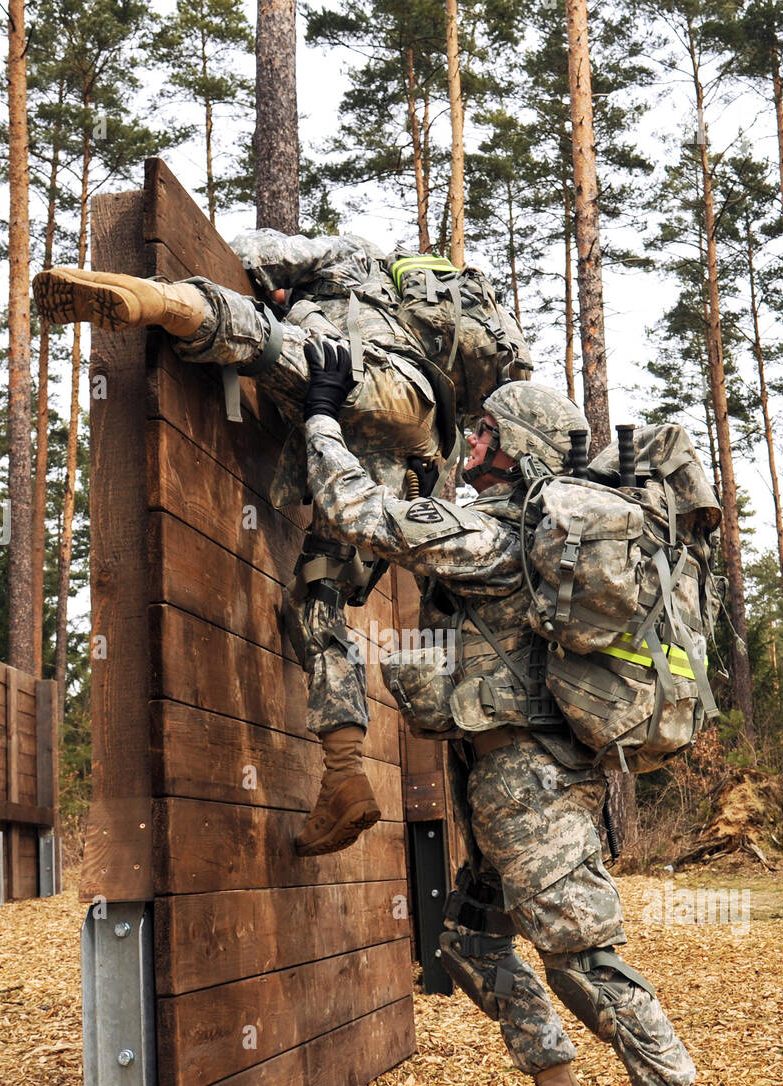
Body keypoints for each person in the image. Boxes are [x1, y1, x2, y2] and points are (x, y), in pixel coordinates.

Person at [297, 338, 747, 1086]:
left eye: (484, 437)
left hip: (528, 783)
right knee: (470, 940)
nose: (469, 447)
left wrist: (321, 417)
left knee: (582, 955)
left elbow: (362, 515)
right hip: (504, 776)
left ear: (513, 451)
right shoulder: (508, 535)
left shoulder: (494, 533)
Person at [33, 230, 532, 856]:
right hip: (422, 432)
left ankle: (165, 304)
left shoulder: (352, 254)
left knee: (275, 347)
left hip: (358, 374)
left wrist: (277, 293)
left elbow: (256, 252)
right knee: (314, 602)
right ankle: (344, 773)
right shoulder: (434, 335)